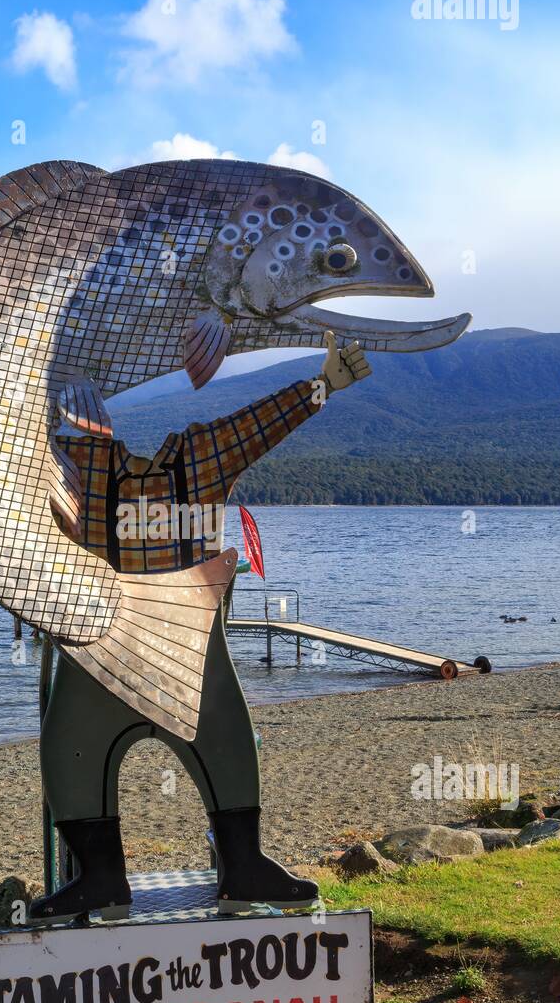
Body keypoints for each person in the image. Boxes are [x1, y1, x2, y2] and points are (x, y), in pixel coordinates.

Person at [30, 334, 372, 923]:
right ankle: (102, 877)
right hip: (110, 647)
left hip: (160, 641)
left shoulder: (140, 461)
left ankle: (236, 866)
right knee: (75, 749)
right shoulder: (113, 465)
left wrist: (322, 386)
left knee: (219, 745)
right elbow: (4, 456)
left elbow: (258, 424)